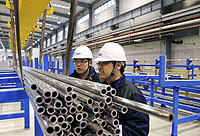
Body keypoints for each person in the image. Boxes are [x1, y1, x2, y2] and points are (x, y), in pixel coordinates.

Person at [95, 42, 149, 136]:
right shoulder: (100, 87)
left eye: (103, 63)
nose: (99, 68)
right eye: (99, 63)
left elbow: (139, 132)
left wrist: (110, 132)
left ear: (118, 65)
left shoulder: (133, 95)